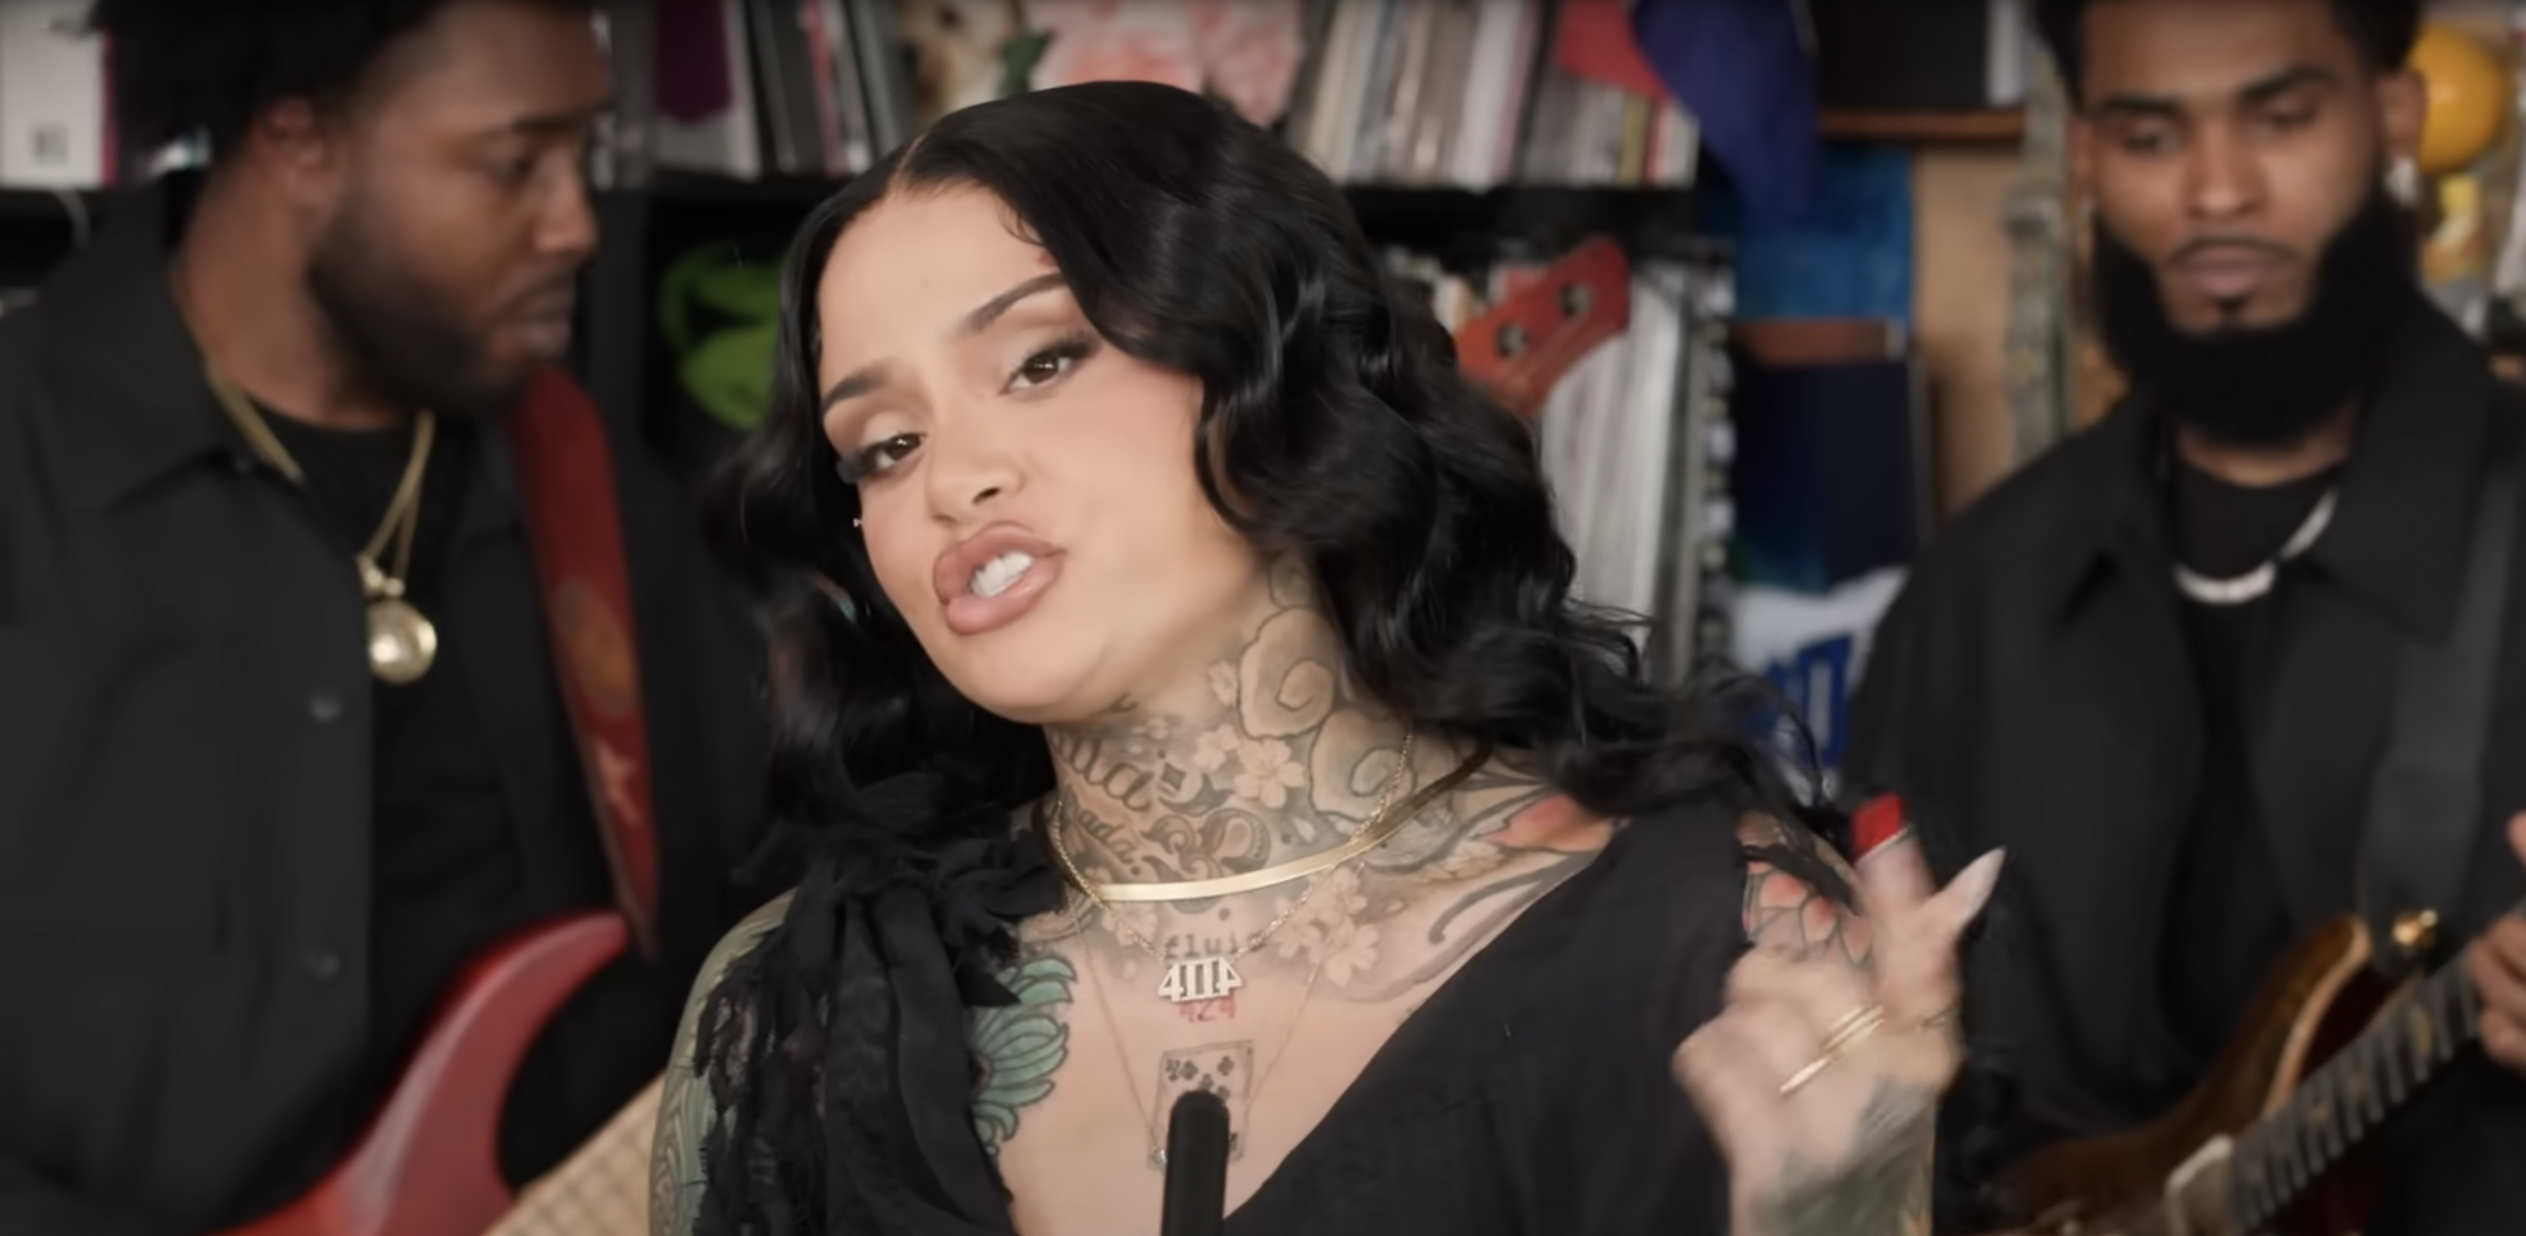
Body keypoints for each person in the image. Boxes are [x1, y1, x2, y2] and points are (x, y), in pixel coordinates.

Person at [643, 80, 2005, 1236]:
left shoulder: (1726, 940)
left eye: (1042, 361)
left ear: (1275, 369)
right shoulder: (791, 1013)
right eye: (884, 446)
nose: (953, 480)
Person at [0, 2, 770, 1232]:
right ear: (300, 141)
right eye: (512, 162)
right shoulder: (26, 468)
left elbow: (747, 895)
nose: (574, 222)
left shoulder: (579, 475)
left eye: (582, 151)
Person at [1846, 1, 2526, 1233]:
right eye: (2151, 136)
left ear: (2395, 116)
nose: (2216, 191)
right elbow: (1892, 1089)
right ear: (2086, 156)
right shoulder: (1974, 596)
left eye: (2281, 119)